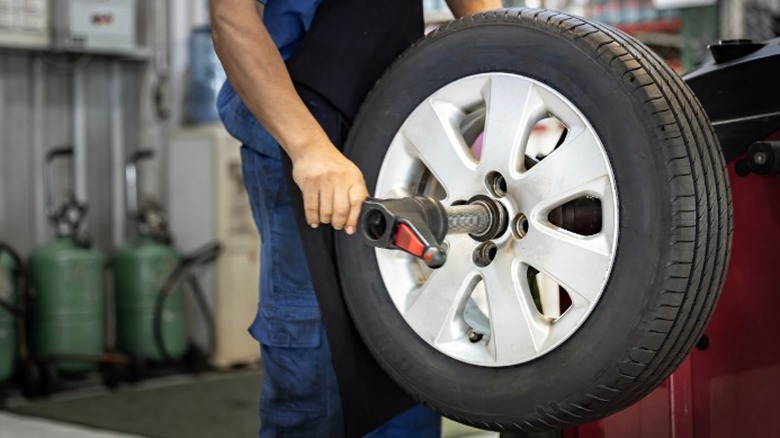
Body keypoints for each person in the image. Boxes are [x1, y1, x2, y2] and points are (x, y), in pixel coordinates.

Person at [211, 0, 501, 436]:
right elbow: (231, 18)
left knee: (409, 350)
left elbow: (480, 11)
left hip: (396, 116)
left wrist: (513, 62)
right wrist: (309, 149)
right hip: (303, 123)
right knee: (323, 368)